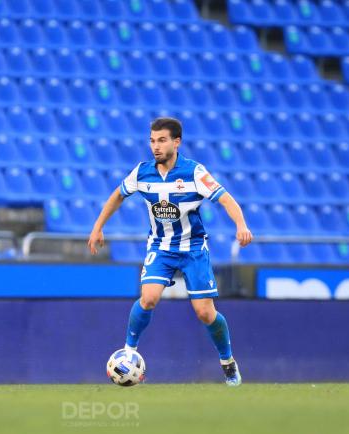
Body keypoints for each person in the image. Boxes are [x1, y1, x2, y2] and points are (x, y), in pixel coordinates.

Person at [87, 117, 253, 386]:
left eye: (162, 140)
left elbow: (224, 197)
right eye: (152, 140)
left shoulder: (194, 172)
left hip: (193, 248)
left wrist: (241, 224)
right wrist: (97, 227)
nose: (155, 146)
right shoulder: (142, 172)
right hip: (160, 247)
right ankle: (129, 351)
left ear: (176, 142)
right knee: (148, 298)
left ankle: (228, 361)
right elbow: (118, 194)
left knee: (205, 313)